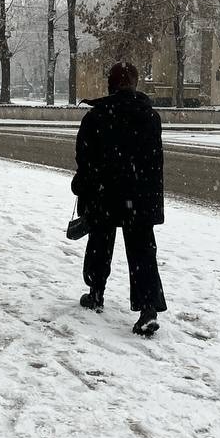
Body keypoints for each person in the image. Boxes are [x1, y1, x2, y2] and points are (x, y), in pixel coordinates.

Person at [71, 60, 167, 336]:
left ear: (110, 85)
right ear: (136, 84)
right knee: (143, 253)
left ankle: (96, 291)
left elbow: (85, 159)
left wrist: (83, 185)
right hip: (139, 197)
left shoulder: (96, 117)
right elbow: (154, 162)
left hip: (105, 194)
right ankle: (148, 308)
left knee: (100, 242)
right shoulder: (150, 117)